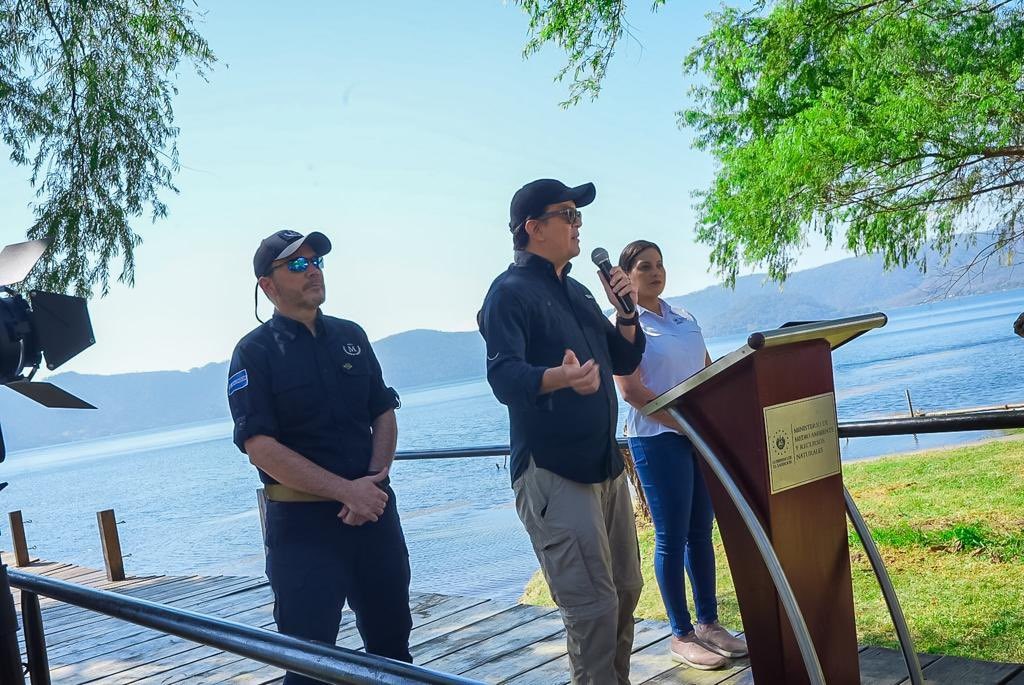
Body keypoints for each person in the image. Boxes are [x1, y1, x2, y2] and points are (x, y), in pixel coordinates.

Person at [479, 179, 646, 684]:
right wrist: (560, 378)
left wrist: (626, 314)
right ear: (533, 228)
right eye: (568, 214)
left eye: (578, 215)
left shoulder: (575, 291)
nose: (578, 224)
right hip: (553, 472)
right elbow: (503, 376)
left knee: (626, 590)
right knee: (592, 607)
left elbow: (622, 357)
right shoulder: (508, 294)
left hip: (604, 468)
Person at [227, 229, 411, 684]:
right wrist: (346, 491)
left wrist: (370, 484)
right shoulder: (254, 353)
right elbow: (260, 447)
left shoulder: (351, 335)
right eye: (296, 265)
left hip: (374, 516)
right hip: (303, 531)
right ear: (267, 286)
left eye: (316, 262)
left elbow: (383, 412)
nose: (312, 270)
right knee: (309, 662)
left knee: (393, 651)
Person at [612, 240, 747, 670]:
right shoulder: (626, 327)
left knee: (700, 532)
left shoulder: (685, 317)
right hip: (656, 439)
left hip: (697, 436)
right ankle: (681, 634)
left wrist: (714, 415)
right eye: (644, 267)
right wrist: (684, 423)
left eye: (659, 264)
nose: (655, 272)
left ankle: (709, 625)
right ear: (626, 277)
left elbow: (706, 371)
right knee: (670, 537)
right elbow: (631, 391)